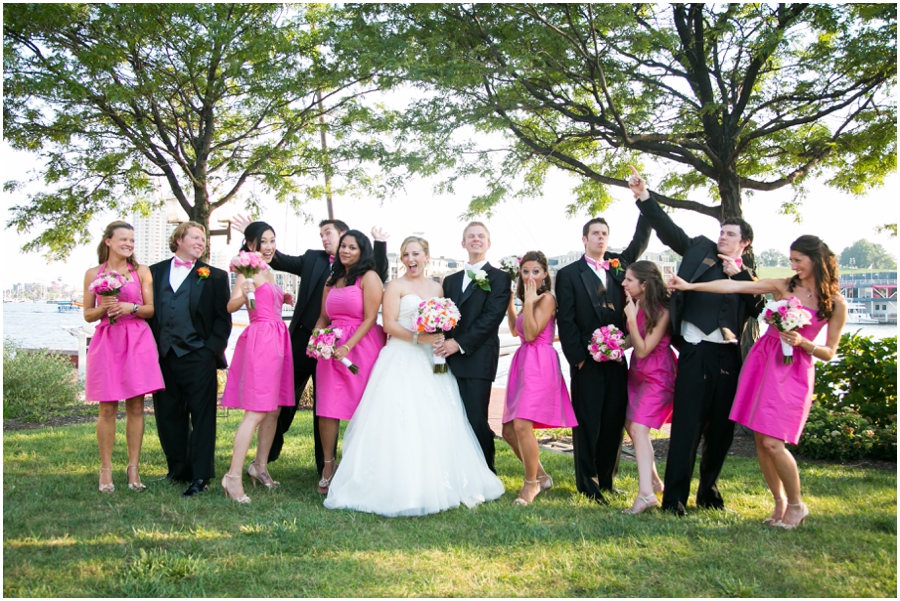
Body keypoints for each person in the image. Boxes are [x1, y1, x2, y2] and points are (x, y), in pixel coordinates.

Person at [669, 235, 846, 529]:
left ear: (816, 259)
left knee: (775, 442)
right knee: (762, 440)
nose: (794, 266)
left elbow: (829, 352)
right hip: (763, 361)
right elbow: (734, 285)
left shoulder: (836, 304)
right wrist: (690, 286)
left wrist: (803, 342)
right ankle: (779, 505)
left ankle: (797, 505)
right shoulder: (784, 285)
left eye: (798, 260)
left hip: (794, 369)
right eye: (791, 260)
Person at [324, 236, 504, 516]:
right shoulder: (395, 286)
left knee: (439, 419)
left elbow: (447, 322)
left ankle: (440, 481)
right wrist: (419, 337)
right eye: (406, 254)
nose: (411, 259)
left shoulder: (438, 287)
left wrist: (440, 336)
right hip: (400, 357)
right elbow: (389, 325)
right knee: (399, 420)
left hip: (432, 360)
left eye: (416, 253)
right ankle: (396, 484)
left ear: (427, 257)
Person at [630, 166, 764, 515]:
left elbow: (758, 308)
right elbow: (668, 229)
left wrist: (744, 276)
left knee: (721, 429)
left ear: (743, 243)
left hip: (726, 356)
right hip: (693, 352)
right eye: (722, 231)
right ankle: (674, 498)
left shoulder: (748, 275)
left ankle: (709, 492)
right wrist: (644, 196)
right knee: (687, 426)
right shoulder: (699, 249)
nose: (723, 236)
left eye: (730, 234)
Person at [230, 215, 388, 479]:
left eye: (329, 233)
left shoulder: (362, 272)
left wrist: (380, 243)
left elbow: (377, 276)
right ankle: (265, 458)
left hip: (347, 344)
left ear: (344, 236)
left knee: (326, 405)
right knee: (281, 398)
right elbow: (272, 256)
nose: (325, 238)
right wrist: (249, 236)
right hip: (305, 339)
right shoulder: (312, 259)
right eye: (322, 235)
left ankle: (324, 466)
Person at [556, 210, 651, 504]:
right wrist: (579, 359)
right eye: (595, 233)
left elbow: (640, 240)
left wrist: (646, 206)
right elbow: (567, 320)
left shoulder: (618, 268)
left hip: (617, 359)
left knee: (612, 420)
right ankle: (588, 483)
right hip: (587, 361)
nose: (600, 238)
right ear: (585, 239)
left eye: (604, 234)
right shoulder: (569, 274)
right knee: (587, 422)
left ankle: (607, 480)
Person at [148, 222, 232, 498]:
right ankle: (177, 469)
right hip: (164, 356)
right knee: (168, 415)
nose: (201, 242)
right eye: (195, 237)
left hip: (198, 356)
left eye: (203, 239)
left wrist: (210, 352)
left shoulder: (215, 277)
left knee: (203, 417)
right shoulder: (154, 272)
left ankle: (200, 475)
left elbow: (223, 320)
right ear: (179, 240)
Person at [83, 221, 165, 493]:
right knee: (107, 407)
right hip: (107, 340)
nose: (129, 244)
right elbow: (87, 314)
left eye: (132, 240)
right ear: (108, 241)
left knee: (137, 407)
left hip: (137, 339)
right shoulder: (93, 273)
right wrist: (105, 307)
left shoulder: (142, 272)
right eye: (123, 239)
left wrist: (131, 306)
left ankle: (133, 469)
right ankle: (105, 470)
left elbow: (151, 310)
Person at [220, 222, 295, 504]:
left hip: (278, 339)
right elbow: (232, 306)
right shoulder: (247, 269)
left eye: (273, 240)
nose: (269, 246)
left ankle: (259, 467)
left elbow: (265, 301)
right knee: (256, 411)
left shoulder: (269, 270)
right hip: (262, 340)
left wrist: (281, 298)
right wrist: (245, 291)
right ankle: (233, 476)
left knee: (274, 409)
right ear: (251, 244)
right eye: (264, 241)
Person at [502, 251, 577, 505]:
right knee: (509, 431)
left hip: (540, 362)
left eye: (536, 271)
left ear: (545, 274)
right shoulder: (529, 299)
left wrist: (531, 301)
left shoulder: (546, 299)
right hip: (522, 362)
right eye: (526, 271)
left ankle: (530, 485)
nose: (530, 276)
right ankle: (543, 477)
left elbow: (533, 334)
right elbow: (516, 330)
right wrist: (512, 303)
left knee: (523, 425)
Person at [314, 230, 386, 494]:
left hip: (361, 346)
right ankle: (329, 466)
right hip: (330, 351)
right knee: (328, 409)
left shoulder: (369, 278)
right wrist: (318, 336)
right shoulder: (331, 279)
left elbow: (370, 318)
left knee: (364, 408)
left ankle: (364, 466)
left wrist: (347, 346)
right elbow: (323, 316)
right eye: (343, 246)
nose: (345, 251)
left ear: (362, 251)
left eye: (352, 247)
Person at [437, 222, 512, 473]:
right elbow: (442, 317)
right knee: (452, 416)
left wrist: (458, 344)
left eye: (481, 236)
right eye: (471, 236)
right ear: (463, 243)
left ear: (488, 244)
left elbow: (491, 318)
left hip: (477, 357)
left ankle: (486, 471)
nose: (476, 239)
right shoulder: (450, 281)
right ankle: (458, 470)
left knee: (476, 417)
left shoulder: (501, 278)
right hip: (447, 358)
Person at [621, 260, 676, 514]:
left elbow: (644, 348)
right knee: (631, 425)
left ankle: (645, 495)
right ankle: (653, 482)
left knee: (640, 429)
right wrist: (608, 345)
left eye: (629, 280)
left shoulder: (663, 311)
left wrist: (630, 317)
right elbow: (633, 340)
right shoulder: (638, 305)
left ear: (644, 284)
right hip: (638, 375)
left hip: (658, 376)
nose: (624, 284)